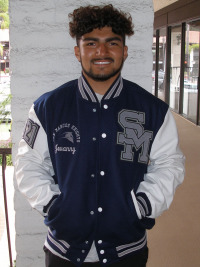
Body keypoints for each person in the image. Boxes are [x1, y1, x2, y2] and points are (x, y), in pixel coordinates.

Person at [15, 4, 185, 267]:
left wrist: (141, 206)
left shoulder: (153, 110)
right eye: (91, 43)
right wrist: (54, 206)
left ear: (124, 51)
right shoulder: (48, 107)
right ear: (77, 51)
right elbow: (28, 165)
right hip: (64, 252)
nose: (102, 51)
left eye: (112, 43)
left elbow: (169, 164)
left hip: (127, 251)